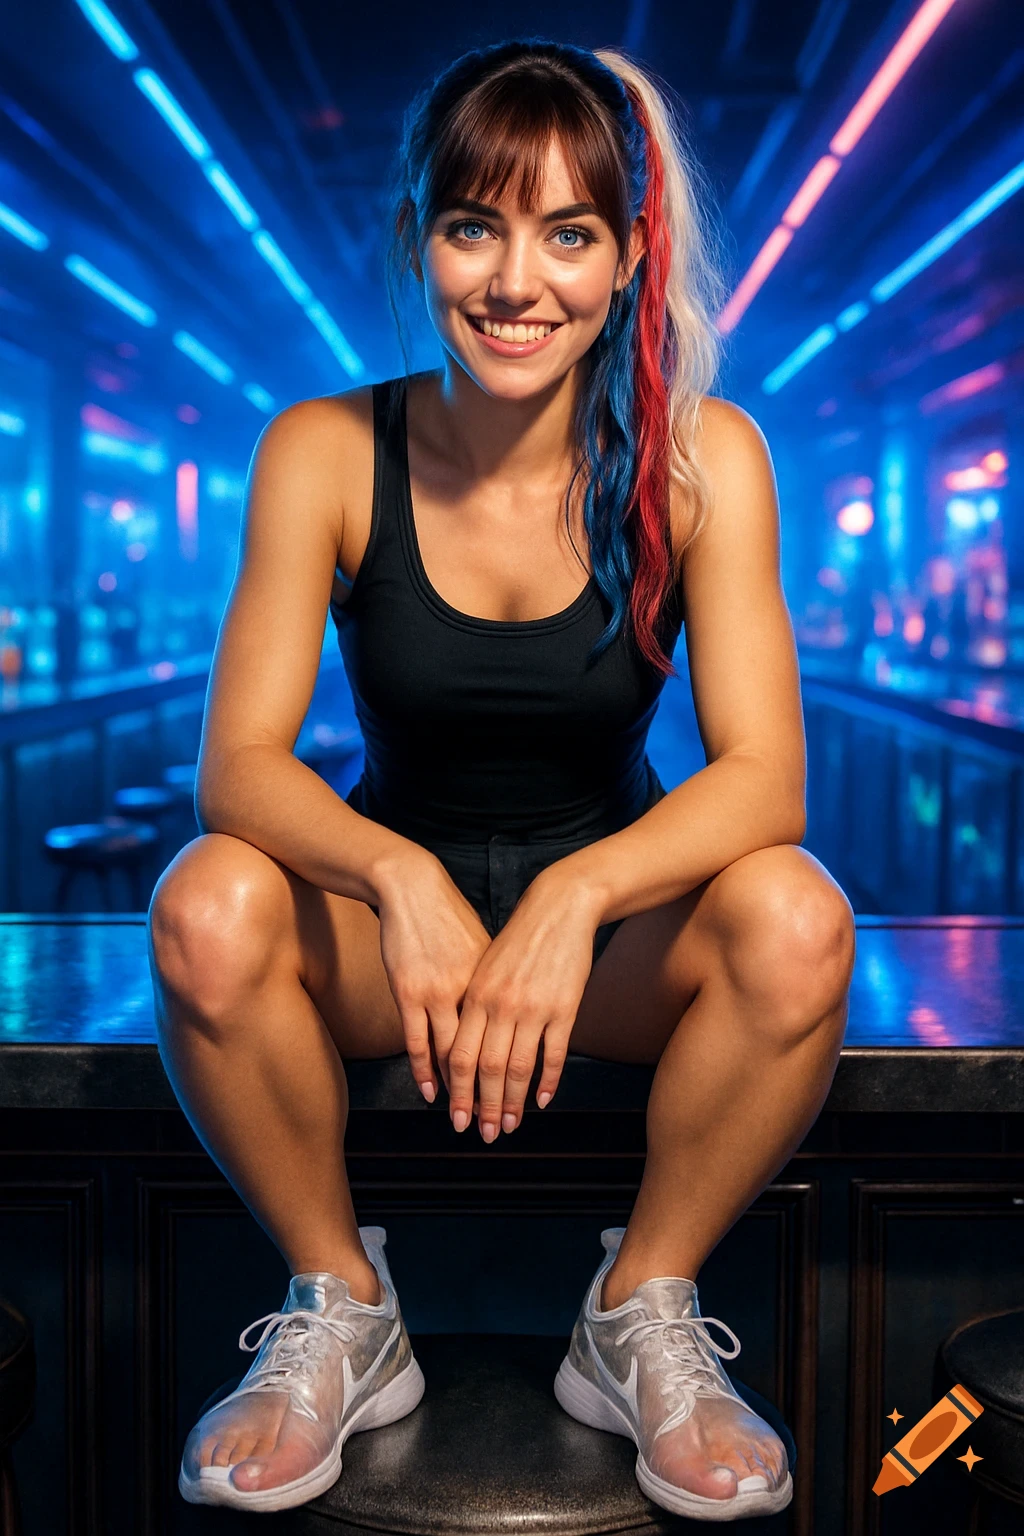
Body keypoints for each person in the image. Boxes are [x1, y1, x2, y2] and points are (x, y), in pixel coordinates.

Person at [148, 39, 855, 1522]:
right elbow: (239, 771)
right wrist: (395, 875)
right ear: (423, 236)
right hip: (382, 958)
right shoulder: (324, 450)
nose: (515, 280)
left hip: (603, 956)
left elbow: (769, 781)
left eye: (568, 233)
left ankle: (638, 1306)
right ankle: (344, 1303)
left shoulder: (701, 460)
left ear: (628, 258)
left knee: (795, 914)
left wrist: (577, 891)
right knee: (206, 903)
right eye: (476, 225)